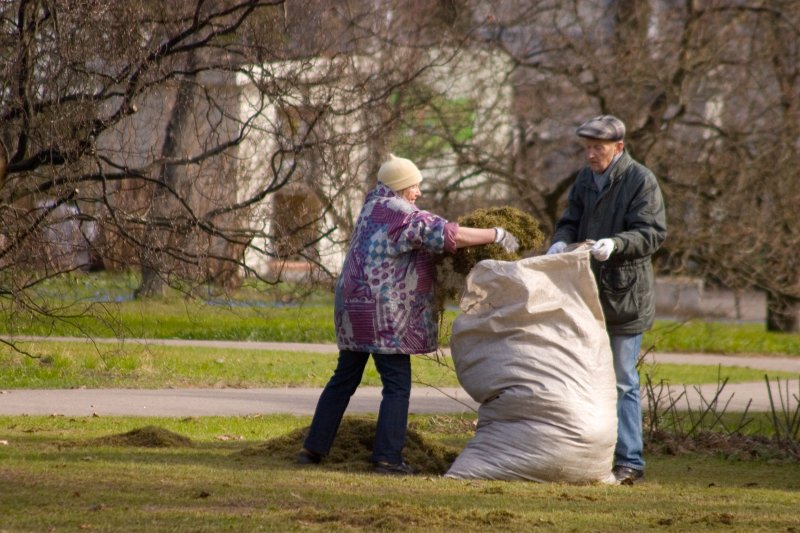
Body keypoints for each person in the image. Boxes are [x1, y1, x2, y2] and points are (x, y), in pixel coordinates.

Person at [298, 153, 519, 475]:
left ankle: (312, 450)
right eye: (415, 186)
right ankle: (388, 458)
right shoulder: (402, 215)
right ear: (401, 186)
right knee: (397, 384)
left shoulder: (372, 208)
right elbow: (448, 235)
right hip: (384, 313)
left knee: (343, 379)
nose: (418, 193)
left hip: (353, 309)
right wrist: (495, 234)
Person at [546, 115, 667, 483]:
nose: (591, 154)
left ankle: (630, 461)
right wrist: (560, 240)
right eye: (587, 147)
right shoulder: (586, 179)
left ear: (619, 147)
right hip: (586, 294)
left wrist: (615, 244)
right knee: (584, 376)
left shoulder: (640, 180)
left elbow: (651, 233)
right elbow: (571, 218)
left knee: (622, 381)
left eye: (598, 147)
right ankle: (592, 453)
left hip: (625, 297)